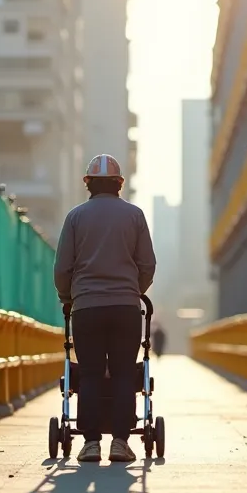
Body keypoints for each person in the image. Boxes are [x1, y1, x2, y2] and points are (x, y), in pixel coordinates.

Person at [54, 154, 156, 463]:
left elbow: (63, 268)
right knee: (125, 373)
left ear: (88, 184)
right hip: (126, 307)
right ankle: (121, 442)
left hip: (86, 307)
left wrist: (67, 297)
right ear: (119, 184)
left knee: (91, 374)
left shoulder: (75, 217)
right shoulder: (135, 215)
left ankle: (91, 443)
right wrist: (134, 290)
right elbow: (147, 264)